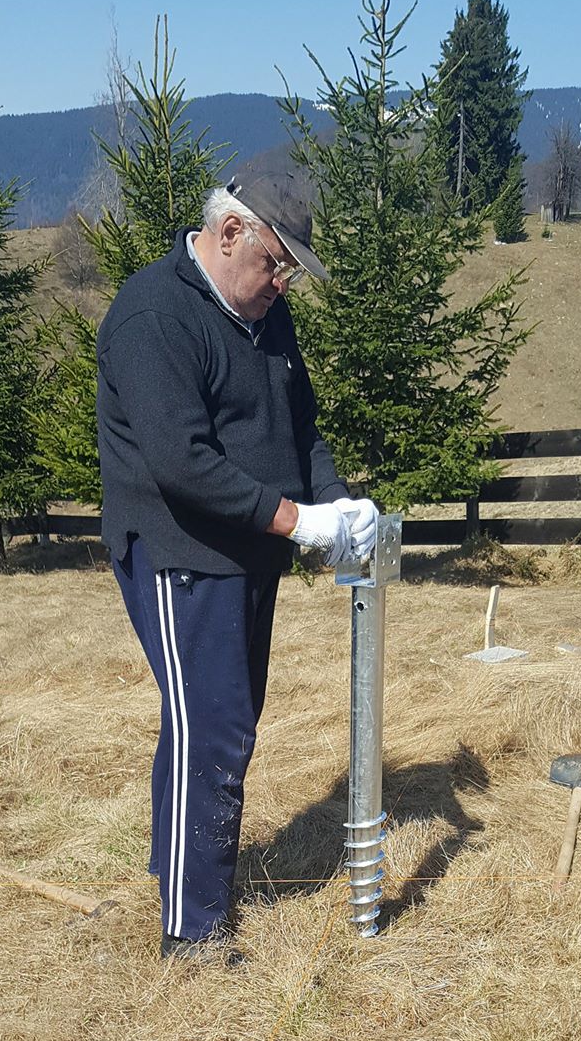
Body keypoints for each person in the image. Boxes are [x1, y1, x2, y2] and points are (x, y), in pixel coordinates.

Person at [97, 175, 378, 962]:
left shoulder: (264, 312)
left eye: (289, 272)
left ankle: (176, 874)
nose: (281, 284)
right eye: (275, 264)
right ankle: (193, 932)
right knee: (213, 728)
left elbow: (299, 426)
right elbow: (180, 461)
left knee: (220, 720)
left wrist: (336, 503)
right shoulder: (154, 316)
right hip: (181, 551)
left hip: (249, 550)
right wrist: (296, 520)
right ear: (228, 235)